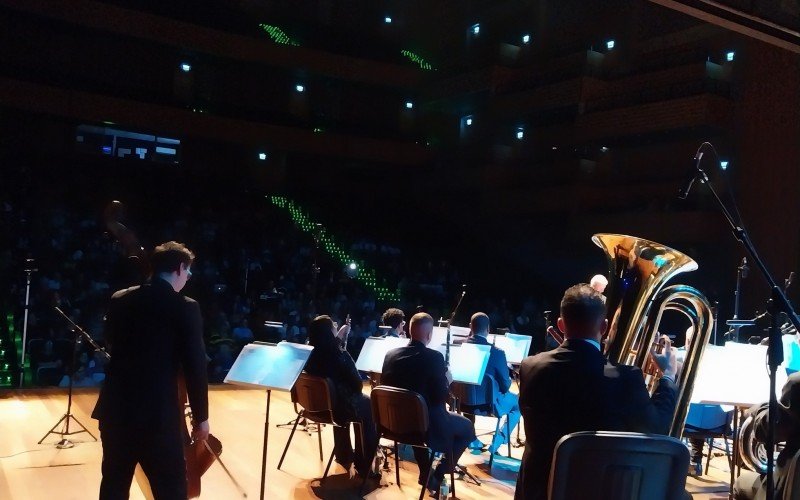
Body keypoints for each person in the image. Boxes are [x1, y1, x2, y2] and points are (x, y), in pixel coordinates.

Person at [515, 284, 678, 500]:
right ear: (604, 327)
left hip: (540, 491)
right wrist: (668, 375)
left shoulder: (530, 367)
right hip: (601, 491)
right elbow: (658, 428)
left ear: (561, 325)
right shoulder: (626, 378)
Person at [92, 241, 209, 500]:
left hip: (115, 410)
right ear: (180, 268)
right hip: (158, 416)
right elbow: (195, 365)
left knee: (114, 483)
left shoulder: (120, 299)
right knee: (170, 488)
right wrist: (201, 417)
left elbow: (111, 340)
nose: (188, 279)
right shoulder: (186, 307)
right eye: (188, 272)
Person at [381, 312, 476, 494]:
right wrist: (446, 380)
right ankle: (438, 475)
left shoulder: (390, 355)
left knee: (417, 414)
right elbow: (440, 397)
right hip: (424, 426)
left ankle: (426, 473)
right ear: (430, 334)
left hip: (394, 423)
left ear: (409, 331)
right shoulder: (434, 358)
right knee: (467, 428)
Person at [304, 315, 378, 478]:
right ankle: (364, 464)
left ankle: (343, 454)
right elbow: (357, 384)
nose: (336, 328)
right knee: (368, 405)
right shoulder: (339, 355)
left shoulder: (308, 355)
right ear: (330, 333)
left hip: (317, 407)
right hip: (339, 407)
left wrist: (340, 342)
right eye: (334, 327)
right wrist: (341, 346)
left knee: (338, 400)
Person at [734, 372, 800, 499]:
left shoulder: (797, 383)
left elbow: (767, 431)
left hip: (788, 490)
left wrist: (760, 408)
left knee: (741, 482)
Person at [462, 312, 521, 454]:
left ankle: (472, 439)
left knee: (469, 390)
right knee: (518, 403)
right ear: (488, 329)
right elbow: (506, 386)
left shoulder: (460, 348)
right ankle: (497, 442)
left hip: (462, 403)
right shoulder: (497, 352)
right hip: (489, 406)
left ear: (470, 327)